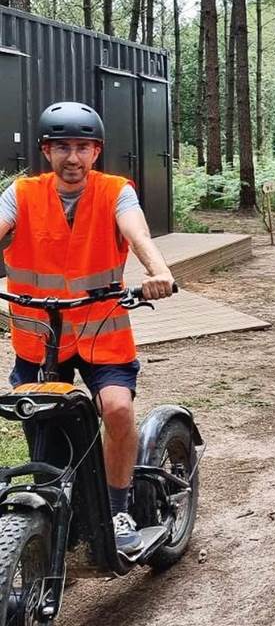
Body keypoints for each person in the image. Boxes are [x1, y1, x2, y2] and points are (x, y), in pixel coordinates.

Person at [0, 101, 176, 555]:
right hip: (41, 340)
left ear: (96, 152)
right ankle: (54, 511)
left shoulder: (116, 191)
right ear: (46, 151)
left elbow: (137, 233)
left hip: (102, 333)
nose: (72, 158)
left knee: (116, 409)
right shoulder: (21, 195)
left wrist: (157, 270)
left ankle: (118, 507)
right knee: (42, 425)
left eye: (82, 147)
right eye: (62, 147)